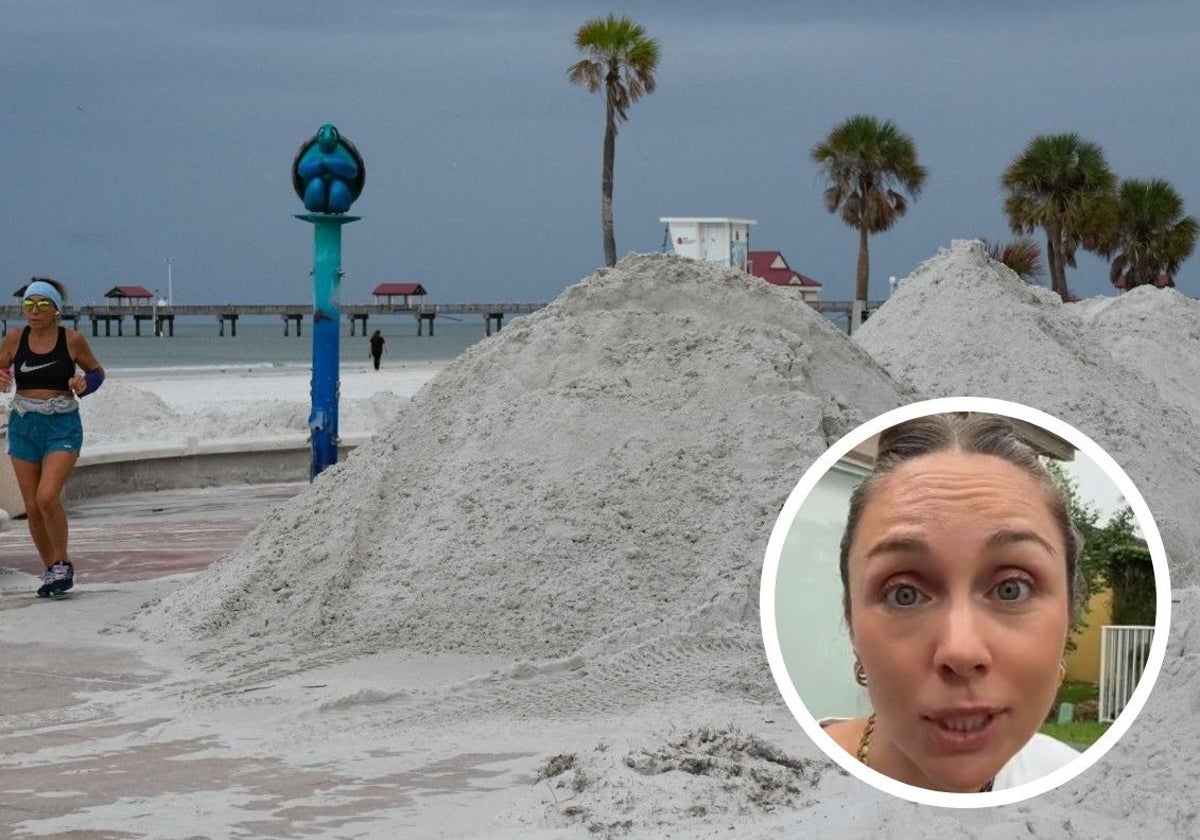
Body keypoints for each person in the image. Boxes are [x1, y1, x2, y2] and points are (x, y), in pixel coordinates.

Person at [821, 412, 1082, 792]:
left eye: (1012, 588)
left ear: (1069, 614)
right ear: (852, 623)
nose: (961, 651)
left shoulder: (1071, 780)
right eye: (904, 594)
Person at [0, 278, 105, 597]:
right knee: (32, 506)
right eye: (28, 305)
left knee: (47, 497)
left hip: (62, 424)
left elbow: (97, 373)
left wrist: (85, 384)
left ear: (55, 310)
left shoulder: (71, 340)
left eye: (42, 305)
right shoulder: (15, 338)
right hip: (23, 425)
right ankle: (52, 570)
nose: (34, 311)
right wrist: (2, 377)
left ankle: (63, 561)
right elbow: (1, 369)